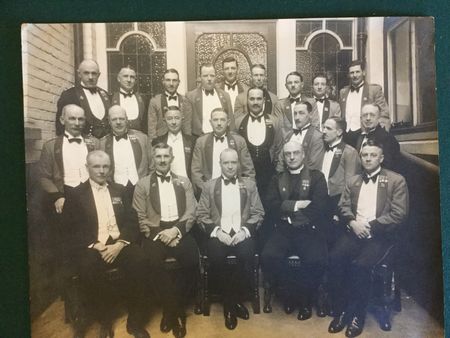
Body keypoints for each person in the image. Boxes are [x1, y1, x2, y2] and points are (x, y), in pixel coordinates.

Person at [62, 151, 149, 338]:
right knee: (87, 267)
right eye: (96, 166)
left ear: (111, 168)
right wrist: (95, 244)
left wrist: (120, 244)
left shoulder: (120, 190)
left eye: (105, 166)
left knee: (141, 260)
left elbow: (132, 221)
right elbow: (70, 229)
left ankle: (135, 322)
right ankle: (105, 319)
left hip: (119, 243)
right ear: (87, 168)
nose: (101, 171)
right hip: (93, 246)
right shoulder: (76, 194)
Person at [327, 140, 409, 337]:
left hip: (379, 236)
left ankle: (357, 315)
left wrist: (370, 226)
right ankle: (343, 310)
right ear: (361, 158)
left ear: (381, 158)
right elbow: (343, 206)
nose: (369, 158)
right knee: (335, 258)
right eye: (365, 155)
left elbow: (399, 214)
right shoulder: (353, 181)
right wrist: (353, 223)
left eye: (373, 155)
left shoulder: (396, 180)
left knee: (361, 266)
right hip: (355, 231)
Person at [133, 143, 199, 338]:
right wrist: (162, 234)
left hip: (179, 230)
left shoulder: (184, 182)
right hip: (156, 232)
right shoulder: (143, 184)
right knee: (151, 262)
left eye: (166, 156)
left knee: (192, 260)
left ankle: (171, 310)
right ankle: (174, 312)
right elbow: (139, 216)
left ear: (172, 159)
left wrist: (176, 231)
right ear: (153, 159)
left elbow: (192, 211)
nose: (162, 160)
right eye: (158, 157)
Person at [196, 148, 264, 330]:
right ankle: (230, 305)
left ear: (239, 164)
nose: (230, 166)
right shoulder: (209, 186)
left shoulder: (249, 185)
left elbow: (258, 212)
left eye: (234, 162)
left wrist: (244, 231)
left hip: (242, 233)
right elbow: (201, 214)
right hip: (219, 234)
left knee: (247, 255)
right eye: (226, 163)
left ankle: (232, 301)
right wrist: (218, 232)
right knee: (217, 258)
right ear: (220, 165)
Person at [262, 140, 328, 321]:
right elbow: (271, 205)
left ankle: (306, 300)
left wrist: (289, 213)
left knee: (315, 258)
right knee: (269, 256)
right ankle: (287, 294)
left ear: (303, 154)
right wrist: (298, 204)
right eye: (288, 154)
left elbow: (319, 206)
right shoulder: (277, 179)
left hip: (308, 229)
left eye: (296, 153)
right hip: (283, 229)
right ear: (283, 157)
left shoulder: (316, 177)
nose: (292, 157)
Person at [39, 104, 99, 215]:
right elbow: (44, 177)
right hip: (64, 197)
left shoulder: (95, 143)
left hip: (91, 196)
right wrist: (57, 196)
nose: (77, 123)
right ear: (62, 120)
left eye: (80, 119)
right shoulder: (51, 146)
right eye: (72, 118)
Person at [191, 108, 255, 197]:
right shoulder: (201, 142)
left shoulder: (239, 141)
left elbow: (248, 170)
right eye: (215, 120)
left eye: (222, 120)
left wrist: (244, 190)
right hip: (209, 192)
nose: (219, 123)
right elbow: (196, 172)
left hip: (234, 191)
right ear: (210, 122)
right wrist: (205, 190)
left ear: (228, 122)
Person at [320, 117, 361, 242]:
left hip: (337, 203)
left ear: (339, 132)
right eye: (324, 127)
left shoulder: (349, 152)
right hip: (323, 201)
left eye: (329, 128)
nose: (324, 131)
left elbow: (350, 185)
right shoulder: (323, 150)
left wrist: (339, 211)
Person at [99, 105, 152, 200]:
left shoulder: (142, 138)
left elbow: (152, 165)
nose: (118, 122)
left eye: (121, 119)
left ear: (127, 120)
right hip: (115, 189)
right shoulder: (102, 143)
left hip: (140, 187)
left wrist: (148, 185)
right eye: (114, 119)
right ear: (109, 121)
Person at [56, 59, 111, 138]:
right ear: (79, 74)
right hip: (80, 146)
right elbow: (60, 127)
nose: (90, 77)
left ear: (98, 75)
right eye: (86, 73)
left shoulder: (106, 95)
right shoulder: (69, 95)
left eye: (94, 73)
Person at [345, 103, 400, 172]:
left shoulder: (387, 138)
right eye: (365, 115)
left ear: (379, 118)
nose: (368, 118)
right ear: (361, 119)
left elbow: (388, 168)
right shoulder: (356, 136)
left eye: (372, 115)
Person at [339, 60, 390, 132]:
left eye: (357, 72)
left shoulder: (374, 90)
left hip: (365, 133)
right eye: (352, 73)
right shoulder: (343, 92)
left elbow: (384, 115)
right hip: (346, 134)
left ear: (363, 73)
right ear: (348, 75)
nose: (355, 75)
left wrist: (381, 135)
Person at [274, 101, 324, 172]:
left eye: (301, 113)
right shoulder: (289, 135)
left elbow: (313, 167)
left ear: (310, 115)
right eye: (295, 114)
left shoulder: (317, 137)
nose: (297, 117)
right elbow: (281, 161)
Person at [186, 63, 235, 137]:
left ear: (215, 77)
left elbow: (231, 122)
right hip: (199, 140)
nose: (209, 79)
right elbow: (187, 125)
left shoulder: (225, 96)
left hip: (222, 139)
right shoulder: (190, 96)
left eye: (212, 75)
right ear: (200, 77)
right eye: (205, 76)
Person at [147, 68, 193, 140]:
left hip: (180, 141)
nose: (171, 84)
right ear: (163, 82)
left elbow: (187, 127)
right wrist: (155, 145)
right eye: (168, 80)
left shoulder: (185, 101)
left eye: (174, 80)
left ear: (178, 82)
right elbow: (151, 129)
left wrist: (187, 143)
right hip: (161, 143)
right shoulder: (155, 101)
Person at [152, 106, 195, 179]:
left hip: (187, 183)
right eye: (169, 119)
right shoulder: (158, 141)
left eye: (177, 118)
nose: (173, 122)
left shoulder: (192, 141)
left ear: (182, 119)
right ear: (164, 120)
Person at [110, 67, 147, 133]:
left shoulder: (143, 99)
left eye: (132, 77)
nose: (129, 80)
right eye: (125, 76)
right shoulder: (111, 98)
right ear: (119, 78)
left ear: (135, 80)